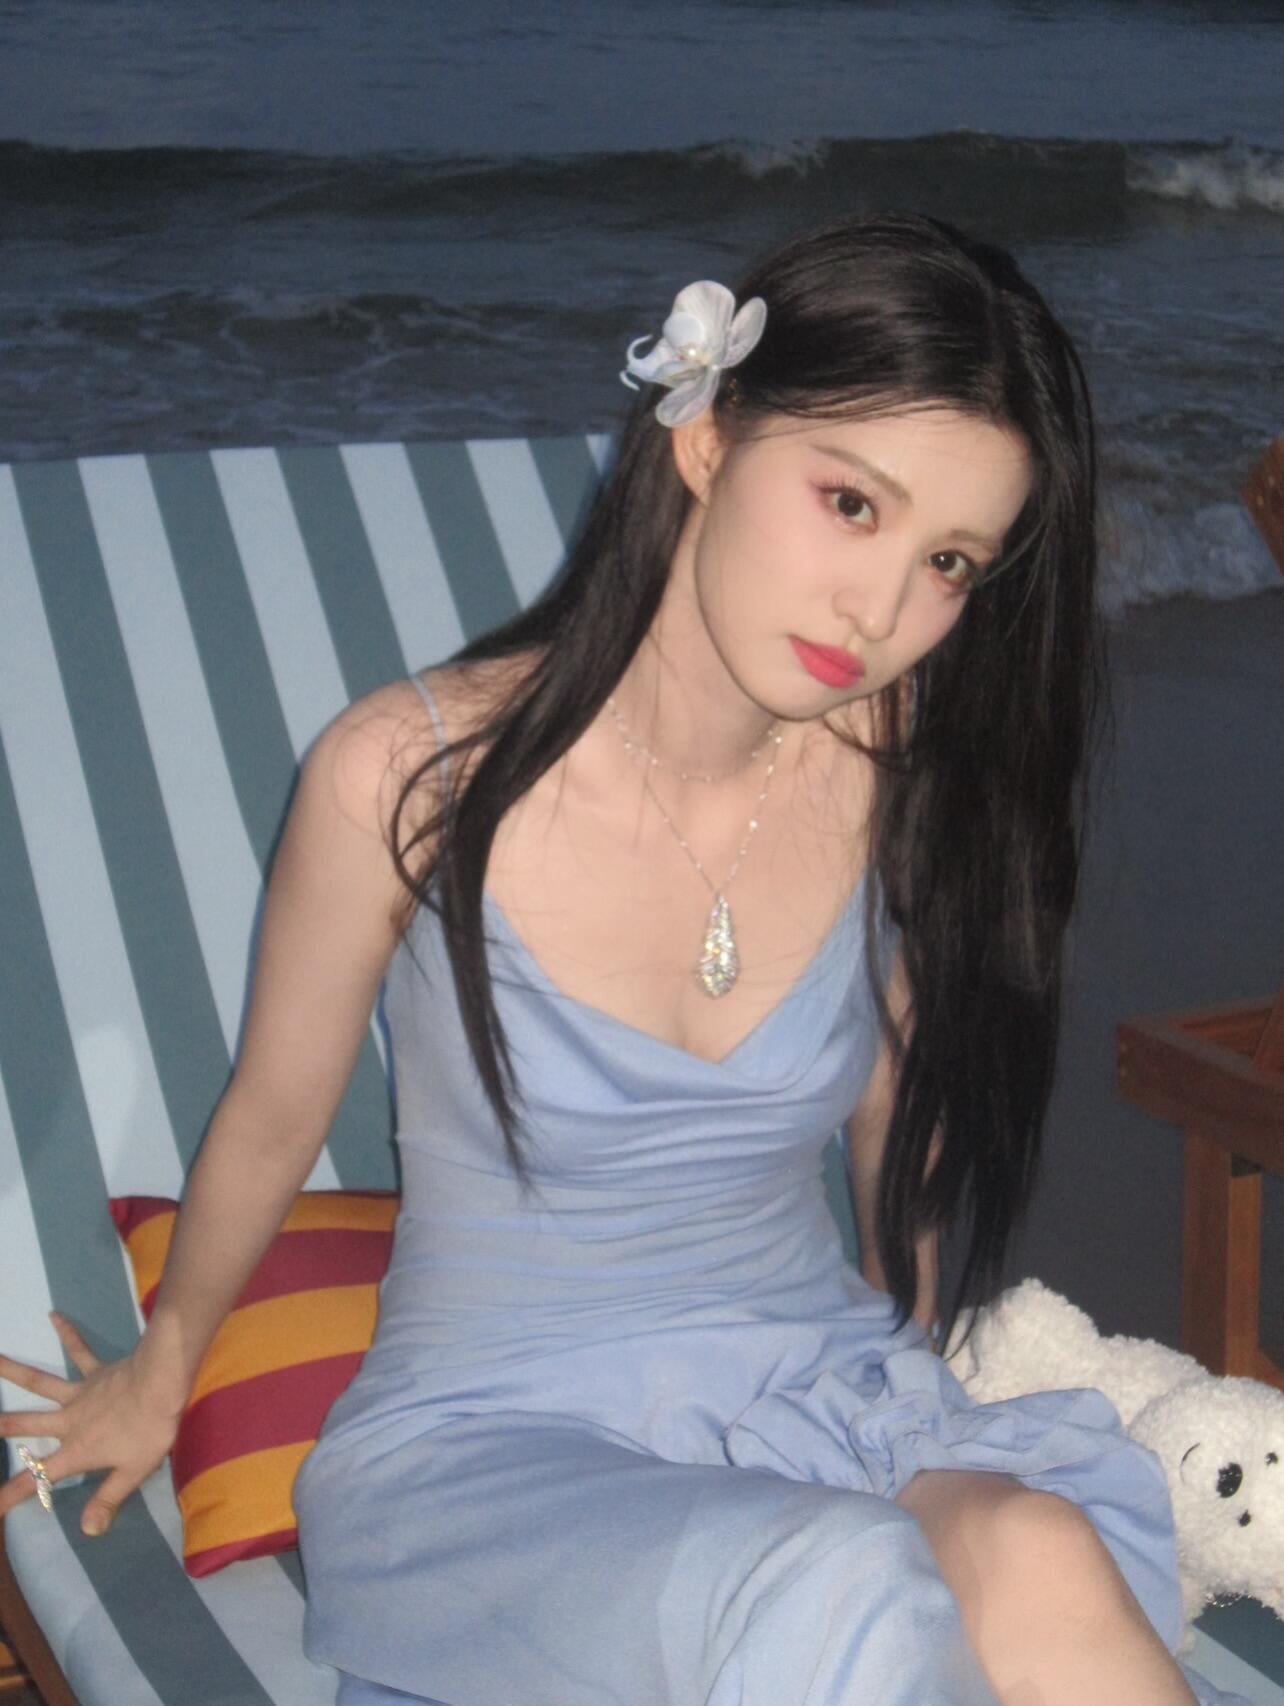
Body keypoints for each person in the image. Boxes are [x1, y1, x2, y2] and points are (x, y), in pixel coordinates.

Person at [0, 213, 1250, 1706]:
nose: (883, 613)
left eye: (949, 562)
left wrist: (913, 1353)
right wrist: (163, 1369)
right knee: (841, 1578)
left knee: (1037, 1547)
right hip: (495, 1449)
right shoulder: (411, 778)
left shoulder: (878, 759)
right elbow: (273, 1114)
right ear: (708, 438)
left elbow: (889, 1090)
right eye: (851, 502)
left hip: (806, 1396)